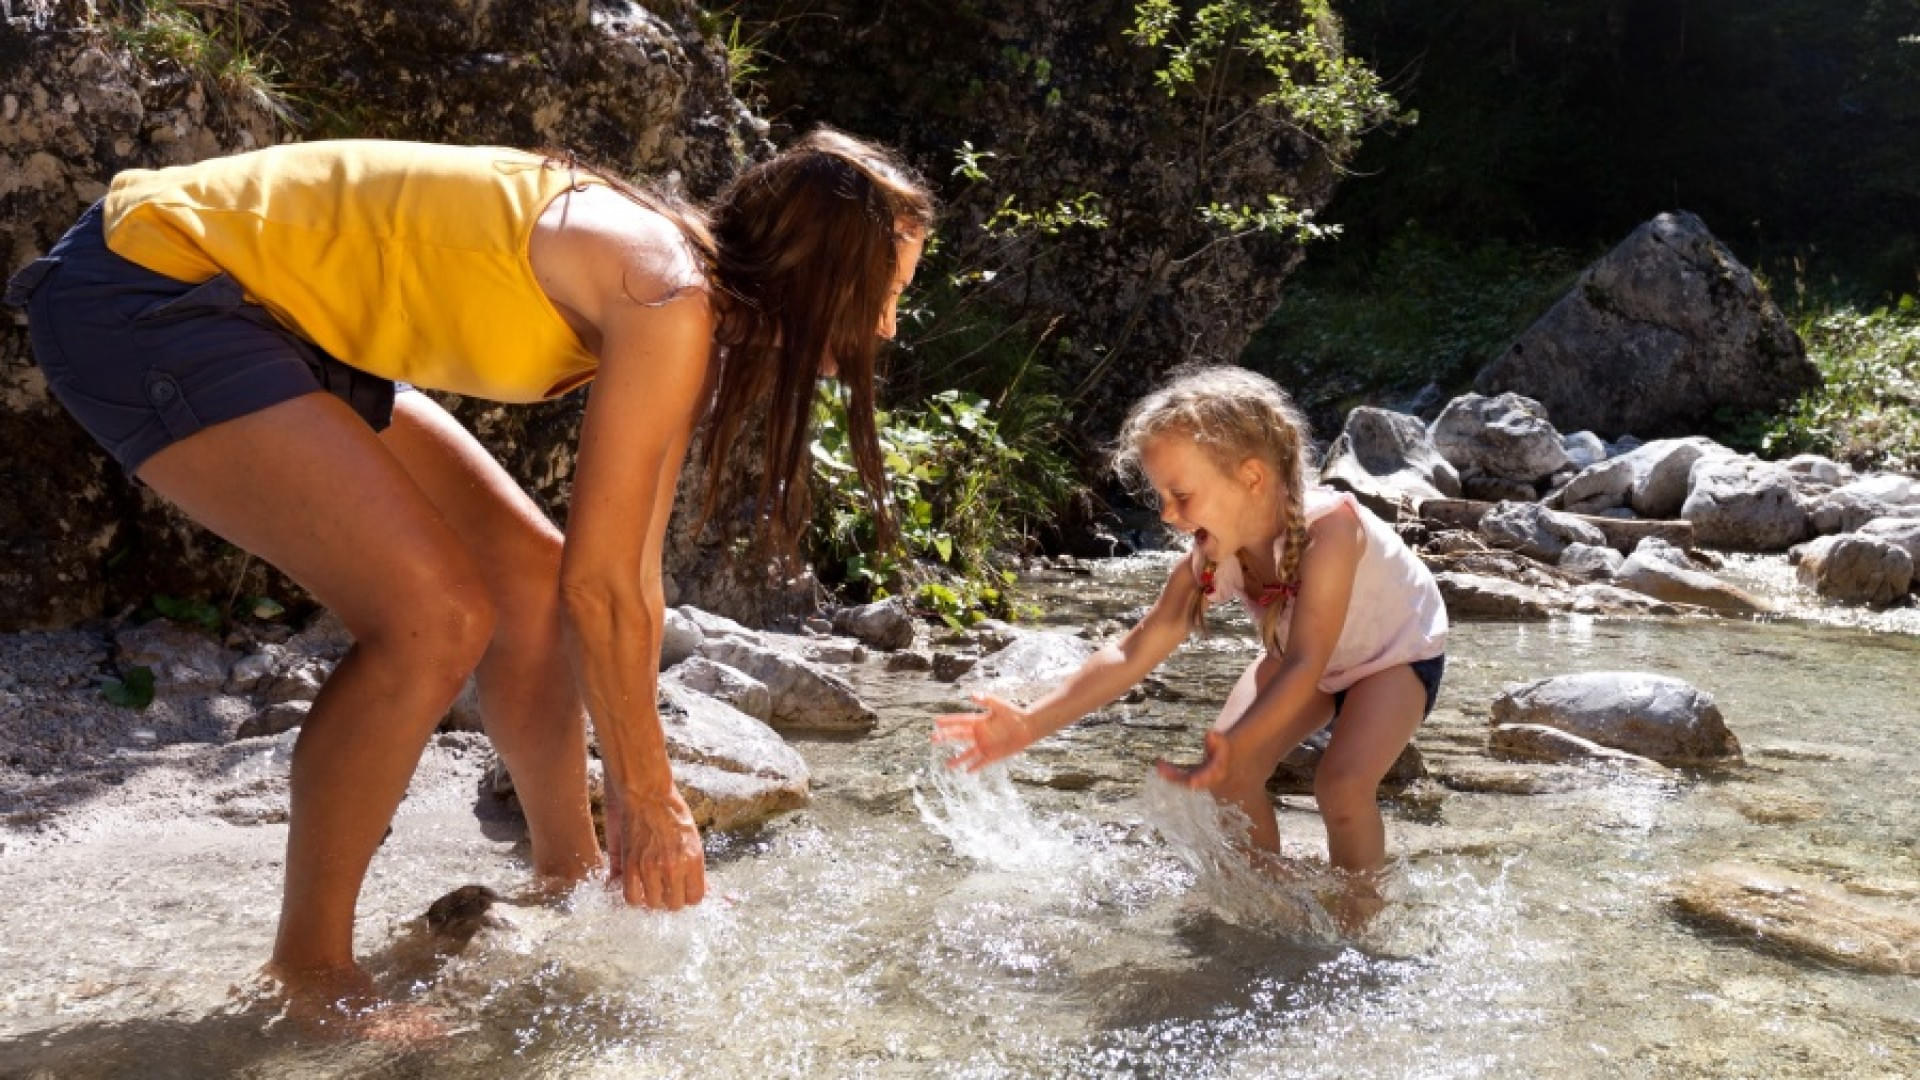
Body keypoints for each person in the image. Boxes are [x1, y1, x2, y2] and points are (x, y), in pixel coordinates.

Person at [6, 132, 933, 1017]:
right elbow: (603, 593)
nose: (885, 328)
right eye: (879, 295)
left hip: (273, 321)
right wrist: (650, 799)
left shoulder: (681, 296)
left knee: (527, 580)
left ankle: (576, 877)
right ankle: (308, 969)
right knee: (434, 618)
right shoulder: (666, 291)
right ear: (816, 278)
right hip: (148, 291)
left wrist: (645, 828)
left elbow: (624, 581)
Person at [936, 366, 1446, 919]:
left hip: (1392, 655)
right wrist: (1032, 723)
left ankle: (1359, 917)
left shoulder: (1332, 531)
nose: (1166, 514)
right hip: (1299, 656)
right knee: (1226, 778)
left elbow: (1307, 660)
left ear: (1252, 478)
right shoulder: (1212, 555)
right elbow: (1135, 651)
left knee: (1341, 785)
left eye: (1180, 495)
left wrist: (1243, 740)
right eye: (1161, 497)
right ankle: (1270, 904)